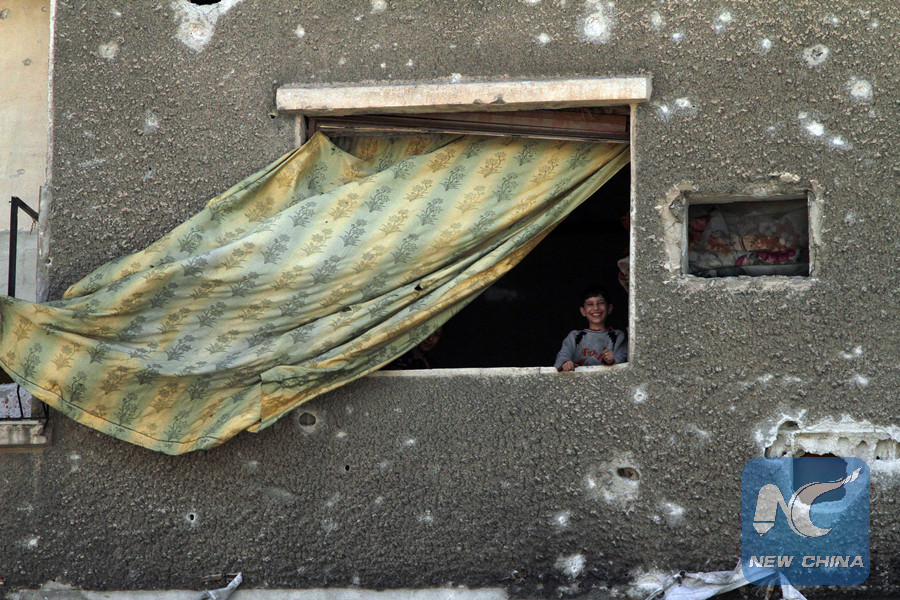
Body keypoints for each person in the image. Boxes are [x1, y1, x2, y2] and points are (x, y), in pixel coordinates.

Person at [554, 286, 627, 371]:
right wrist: (565, 362)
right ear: (583, 311)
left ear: (609, 308)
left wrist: (612, 360)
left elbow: (623, 358)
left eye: (600, 303)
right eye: (590, 304)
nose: (596, 308)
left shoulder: (617, 335)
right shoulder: (575, 336)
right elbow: (563, 354)